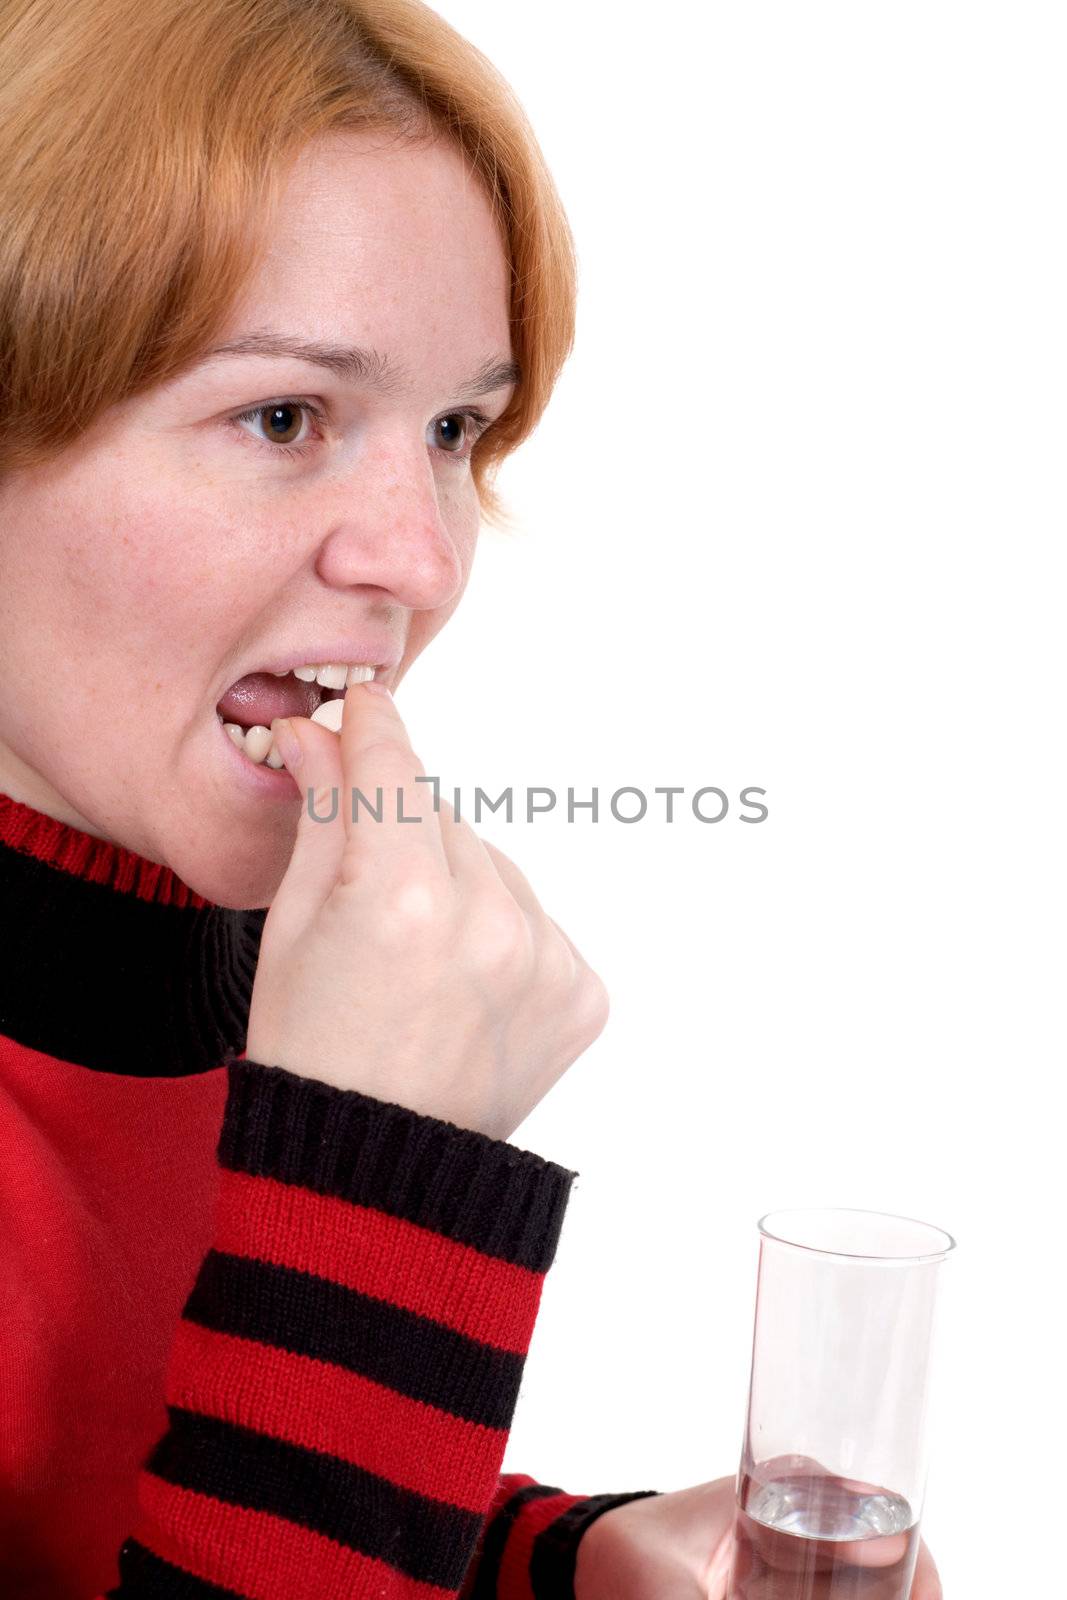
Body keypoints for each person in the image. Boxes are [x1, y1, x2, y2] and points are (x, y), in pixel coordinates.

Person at [0, 2, 942, 1596]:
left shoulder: (200, 971)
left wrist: (559, 1570)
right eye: (284, 416)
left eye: (453, 431)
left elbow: (96, 1503)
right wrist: (370, 1176)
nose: (424, 565)